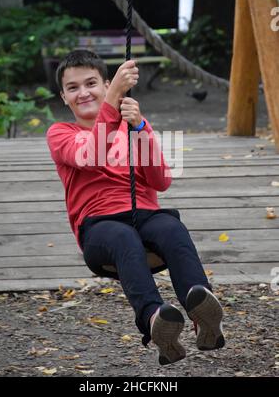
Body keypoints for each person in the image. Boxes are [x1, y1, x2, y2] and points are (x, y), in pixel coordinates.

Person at [46, 49, 225, 365]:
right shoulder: (61, 134)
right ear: (64, 97)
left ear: (103, 84)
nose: (83, 92)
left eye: (92, 83)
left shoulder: (132, 126)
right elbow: (91, 156)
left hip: (144, 214)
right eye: (73, 88)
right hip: (100, 227)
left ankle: (202, 312)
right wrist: (113, 99)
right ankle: (155, 319)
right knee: (122, 237)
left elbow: (160, 180)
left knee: (170, 227)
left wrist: (142, 128)